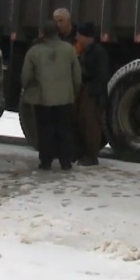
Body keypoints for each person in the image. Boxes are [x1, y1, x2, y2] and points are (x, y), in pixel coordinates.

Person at [20, 20, 82, 170]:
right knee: (64, 130)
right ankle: (65, 162)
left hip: (43, 99)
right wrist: (73, 92)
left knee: (45, 130)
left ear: (43, 33)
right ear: (57, 32)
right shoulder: (69, 50)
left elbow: (26, 76)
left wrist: (27, 89)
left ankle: (46, 161)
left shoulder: (34, 52)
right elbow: (77, 77)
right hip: (65, 99)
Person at [74, 22, 111, 166]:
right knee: (82, 122)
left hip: (93, 93)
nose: (77, 37)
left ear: (87, 37)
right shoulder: (84, 50)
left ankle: (91, 155)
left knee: (91, 124)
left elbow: (101, 76)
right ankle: (83, 153)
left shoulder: (97, 52)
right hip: (86, 91)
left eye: (80, 35)